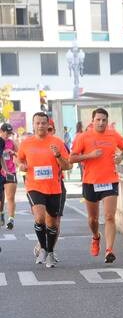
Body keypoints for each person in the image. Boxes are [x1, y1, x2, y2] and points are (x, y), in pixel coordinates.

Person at [68, 107, 123, 264]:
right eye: (98, 120)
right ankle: (96, 237)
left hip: (110, 180)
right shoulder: (83, 137)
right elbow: (71, 158)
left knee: (109, 216)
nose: (101, 123)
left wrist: (121, 156)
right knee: (93, 219)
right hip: (90, 182)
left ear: (107, 122)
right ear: (92, 121)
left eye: (104, 120)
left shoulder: (113, 134)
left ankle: (109, 250)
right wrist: (89, 155)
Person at [16, 111, 71, 268]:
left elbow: (67, 165)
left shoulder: (57, 142)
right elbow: (20, 159)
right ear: (33, 125)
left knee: (52, 224)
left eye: (43, 123)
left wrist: (58, 155)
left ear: (48, 125)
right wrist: (21, 166)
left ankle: (50, 252)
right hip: (34, 186)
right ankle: (43, 250)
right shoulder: (26, 143)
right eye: (37, 123)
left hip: (54, 188)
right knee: (39, 217)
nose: (40, 125)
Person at [1, 122, 17, 229]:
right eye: (7, 133)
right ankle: (1, 213)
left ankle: (11, 220)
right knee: (1, 199)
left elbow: (20, 155)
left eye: (10, 133)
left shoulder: (12, 143)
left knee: (10, 197)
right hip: (0, 173)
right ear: (1, 131)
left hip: (10, 172)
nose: (8, 135)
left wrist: (13, 152)